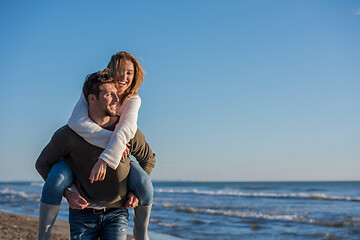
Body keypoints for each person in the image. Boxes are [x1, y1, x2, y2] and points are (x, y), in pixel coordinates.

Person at [37, 52, 154, 240]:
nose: (116, 99)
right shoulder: (70, 133)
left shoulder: (129, 130)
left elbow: (149, 159)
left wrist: (136, 193)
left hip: (116, 213)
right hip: (82, 214)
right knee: (57, 175)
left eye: (129, 73)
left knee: (145, 183)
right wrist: (67, 194)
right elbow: (42, 163)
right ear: (92, 99)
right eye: (109, 94)